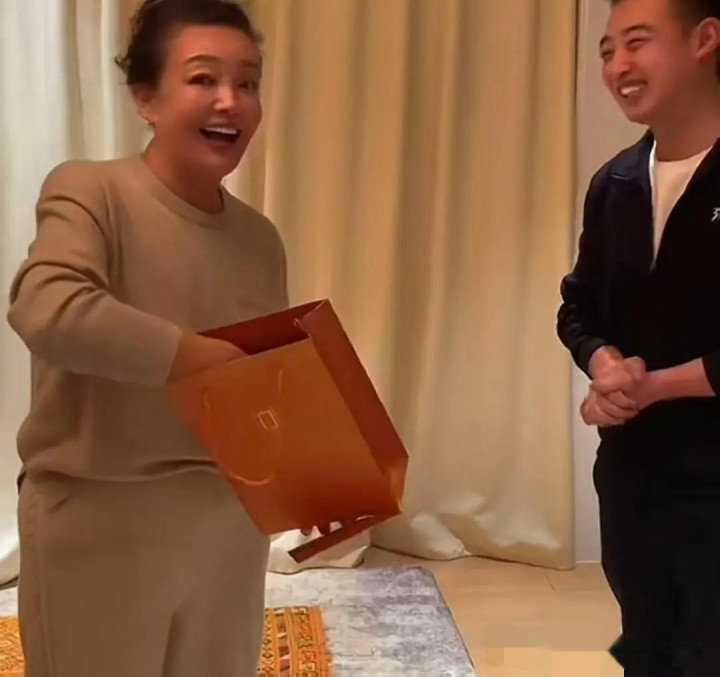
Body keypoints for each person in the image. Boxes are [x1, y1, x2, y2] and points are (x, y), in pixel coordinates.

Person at [5, 1, 316, 675]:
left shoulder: (260, 239)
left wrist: (318, 476)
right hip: (101, 522)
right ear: (145, 98)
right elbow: (47, 307)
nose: (230, 100)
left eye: (248, 81)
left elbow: (262, 387)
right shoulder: (91, 190)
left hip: (228, 532)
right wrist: (200, 358)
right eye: (204, 78)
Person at [557, 0, 720, 674]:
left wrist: (652, 386)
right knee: (647, 653)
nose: (618, 65)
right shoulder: (615, 182)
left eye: (637, 42)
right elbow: (579, 306)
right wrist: (604, 365)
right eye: (607, 50)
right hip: (632, 476)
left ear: (705, 39)